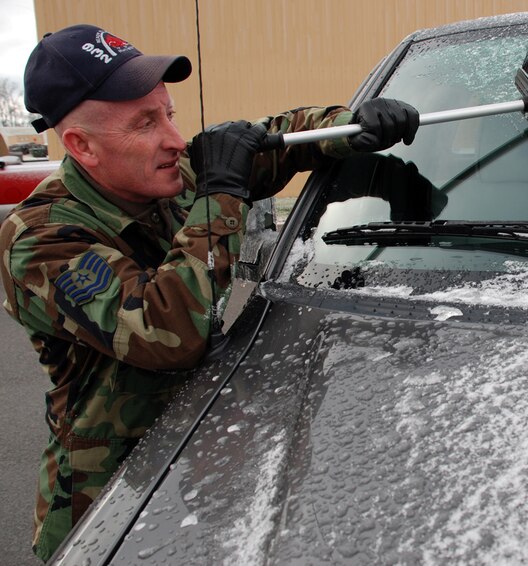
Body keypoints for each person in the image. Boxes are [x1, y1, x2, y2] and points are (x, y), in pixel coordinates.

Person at [0, 24, 419, 562]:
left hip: (202, 463)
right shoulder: (40, 237)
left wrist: (351, 125)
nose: (175, 140)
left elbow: (278, 139)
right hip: (111, 507)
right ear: (82, 145)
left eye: (169, 114)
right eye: (145, 124)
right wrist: (222, 194)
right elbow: (168, 332)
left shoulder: (170, 171)